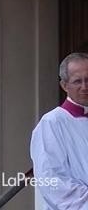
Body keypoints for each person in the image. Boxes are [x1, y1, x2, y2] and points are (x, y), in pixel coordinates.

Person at [30, 52, 88, 209]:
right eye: (77, 81)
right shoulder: (51, 124)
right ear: (64, 85)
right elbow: (53, 180)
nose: (84, 87)